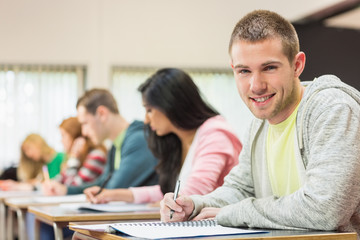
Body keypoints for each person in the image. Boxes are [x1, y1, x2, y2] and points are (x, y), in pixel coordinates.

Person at [160, 10, 360, 234]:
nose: (256, 86)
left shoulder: (333, 109)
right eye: (244, 71)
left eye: (269, 68)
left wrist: (235, 213)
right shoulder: (260, 123)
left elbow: (325, 209)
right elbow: (241, 189)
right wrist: (196, 204)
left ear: (297, 65)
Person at [84, 68, 242, 204]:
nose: (146, 119)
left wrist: (163, 204)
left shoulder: (214, 132)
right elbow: (169, 191)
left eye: (149, 110)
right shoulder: (179, 140)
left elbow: (193, 194)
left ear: (170, 104)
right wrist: (113, 195)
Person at [42, 88, 159, 196]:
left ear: (102, 113)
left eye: (85, 123)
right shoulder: (115, 146)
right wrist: (66, 190)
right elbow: (102, 184)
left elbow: (113, 188)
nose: (84, 132)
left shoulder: (139, 140)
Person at [50, 116, 107, 186]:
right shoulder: (78, 158)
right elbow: (59, 181)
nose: (61, 141)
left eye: (63, 135)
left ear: (75, 136)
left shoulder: (96, 156)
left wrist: (74, 157)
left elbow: (71, 186)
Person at [0, 134, 65, 191]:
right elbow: (40, 182)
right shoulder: (43, 164)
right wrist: (17, 185)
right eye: (25, 152)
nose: (28, 154)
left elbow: (59, 182)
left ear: (38, 144)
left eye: (28, 148)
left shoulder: (61, 158)